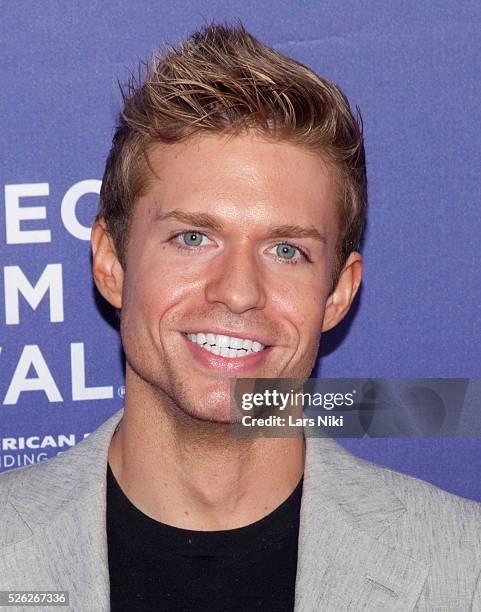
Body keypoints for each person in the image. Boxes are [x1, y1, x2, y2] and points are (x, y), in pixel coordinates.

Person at [1, 22, 481, 612]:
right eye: (194, 236)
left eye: (287, 251)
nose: (237, 292)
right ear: (111, 264)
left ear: (337, 294)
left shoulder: (463, 572)